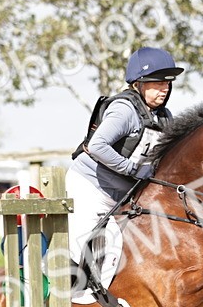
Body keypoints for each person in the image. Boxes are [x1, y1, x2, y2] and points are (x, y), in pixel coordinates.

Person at [66, 46, 183, 276]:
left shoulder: (164, 117)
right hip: (90, 187)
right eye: (158, 82)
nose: (165, 88)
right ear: (139, 83)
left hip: (123, 195)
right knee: (82, 257)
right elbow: (97, 146)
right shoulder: (124, 110)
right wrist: (133, 169)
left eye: (168, 83)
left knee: (128, 254)